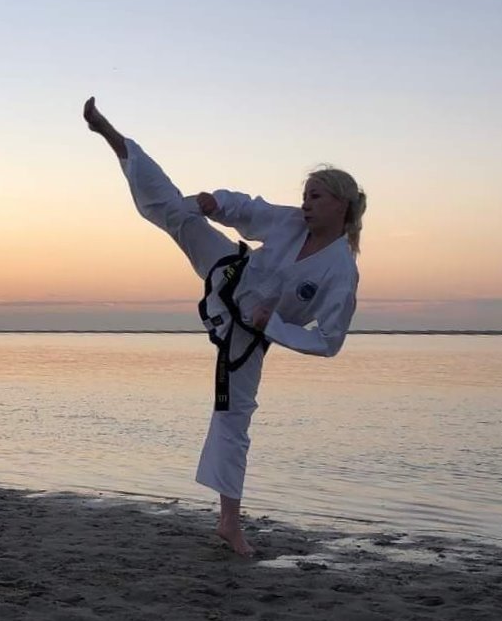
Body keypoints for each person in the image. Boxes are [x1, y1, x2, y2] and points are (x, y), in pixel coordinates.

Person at [83, 97, 366, 556]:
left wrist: (272, 324)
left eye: (316, 196)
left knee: (233, 418)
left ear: (342, 204)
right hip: (231, 272)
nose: (306, 203)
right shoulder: (292, 223)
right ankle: (115, 140)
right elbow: (252, 212)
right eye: (306, 194)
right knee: (178, 212)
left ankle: (228, 522)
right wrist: (216, 205)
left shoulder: (342, 272)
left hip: (251, 335)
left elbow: (329, 341)